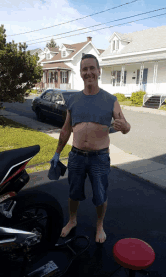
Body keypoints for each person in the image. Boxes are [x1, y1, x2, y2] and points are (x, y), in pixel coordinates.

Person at [51, 54, 131, 243]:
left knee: (100, 195)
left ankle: (100, 226)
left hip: (99, 158)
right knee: (73, 193)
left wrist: (123, 126)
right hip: (76, 156)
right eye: (84, 69)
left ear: (98, 71)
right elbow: (65, 129)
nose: (88, 72)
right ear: (80, 73)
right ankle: (72, 220)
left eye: (91, 68)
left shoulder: (110, 100)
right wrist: (56, 153)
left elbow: (126, 126)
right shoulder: (73, 100)